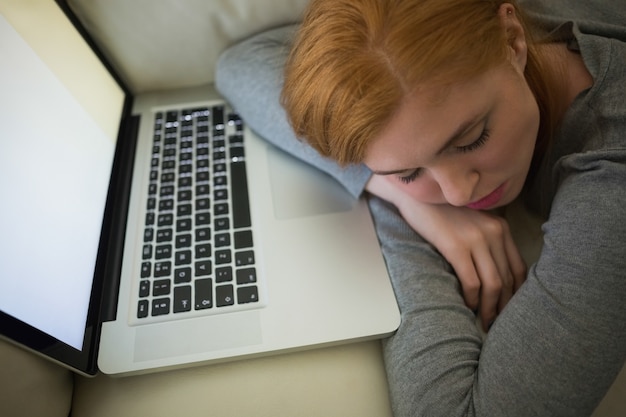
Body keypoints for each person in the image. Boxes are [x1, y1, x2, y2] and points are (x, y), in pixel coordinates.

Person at [215, 0, 626, 415]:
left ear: (513, 40)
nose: (458, 196)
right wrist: (408, 203)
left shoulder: (612, 190)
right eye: (408, 171)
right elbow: (241, 63)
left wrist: (397, 214)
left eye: (471, 139)